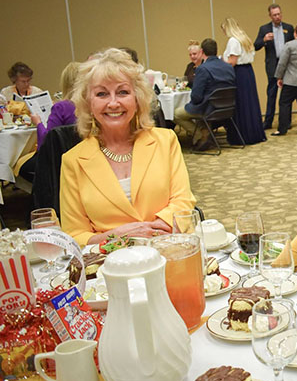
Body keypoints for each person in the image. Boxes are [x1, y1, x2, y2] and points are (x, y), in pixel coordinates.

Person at [59, 48, 196, 246]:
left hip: (168, 248)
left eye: (122, 92)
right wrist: (119, 236)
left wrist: (152, 234)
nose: (113, 103)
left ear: (137, 98)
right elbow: (75, 234)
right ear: (88, 103)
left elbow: (183, 201)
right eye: (102, 94)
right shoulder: (73, 161)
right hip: (109, 260)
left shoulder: (165, 141)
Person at [18, 62, 80, 182]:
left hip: (59, 159)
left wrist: (38, 123)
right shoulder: (92, 105)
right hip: (83, 155)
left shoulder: (61, 107)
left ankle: (51, 187)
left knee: (21, 167)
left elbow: (47, 140)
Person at [173, 38, 236, 151]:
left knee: (176, 114)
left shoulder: (202, 69)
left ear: (201, 51)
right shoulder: (228, 67)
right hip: (227, 107)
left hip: (209, 109)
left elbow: (196, 97)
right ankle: (204, 133)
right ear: (216, 50)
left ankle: (201, 135)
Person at [221, 17, 266, 145]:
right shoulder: (245, 39)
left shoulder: (233, 41)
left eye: (224, 30)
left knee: (241, 104)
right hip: (248, 72)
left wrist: (221, 60)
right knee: (249, 103)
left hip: (239, 73)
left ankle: (242, 136)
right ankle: (253, 133)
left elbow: (232, 62)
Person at [254, 3, 294, 130]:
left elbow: (294, 45)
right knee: (272, 93)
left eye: (279, 14)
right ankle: (268, 121)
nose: (277, 17)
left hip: (286, 64)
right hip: (272, 64)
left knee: (287, 93)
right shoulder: (264, 29)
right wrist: (264, 39)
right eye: (274, 15)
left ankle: (286, 122)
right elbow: (255, 46)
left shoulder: (289, 28)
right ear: (270, 16)